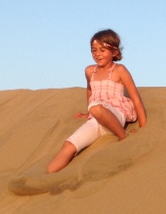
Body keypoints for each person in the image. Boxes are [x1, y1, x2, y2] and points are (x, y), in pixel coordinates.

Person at [46, 29, 147, 173]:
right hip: (97, 120)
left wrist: (144, 129)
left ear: (114, 52)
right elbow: (90, 90)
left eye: (102, 50)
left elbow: (135, 98)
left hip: (115, 117)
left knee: (96, 107)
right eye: (94, 50)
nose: (97, 54)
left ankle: (123, 137)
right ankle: (48, 176)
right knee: (69, 145)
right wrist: (89, 113)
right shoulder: (89, 71)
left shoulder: (119, 70)